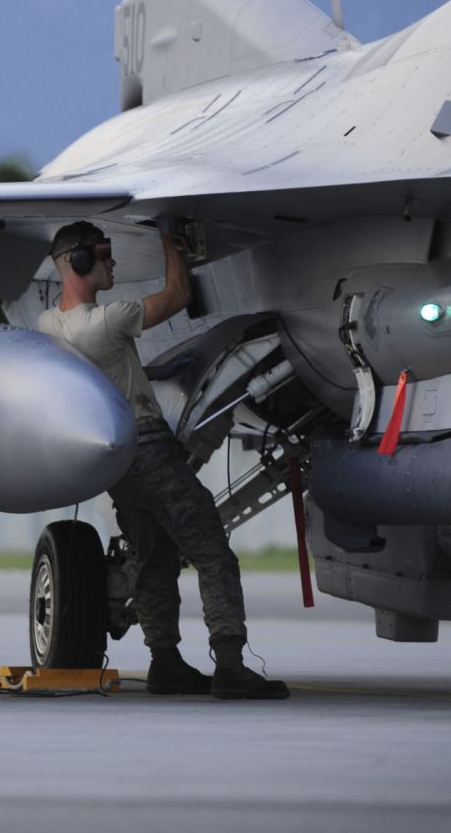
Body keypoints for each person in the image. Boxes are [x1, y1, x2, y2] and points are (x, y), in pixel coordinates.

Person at [35, 220, 288, 700]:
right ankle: (230, 663)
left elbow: (105, 366)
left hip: (116, 461)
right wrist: (173, 243)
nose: (113, 262)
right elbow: (176, 295)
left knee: (155, 555)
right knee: (211, 551)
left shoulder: (49, 325)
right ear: (79, 261)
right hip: (149, 446)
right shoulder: (108, 320)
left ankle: (165, 662)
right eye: (104, 253)